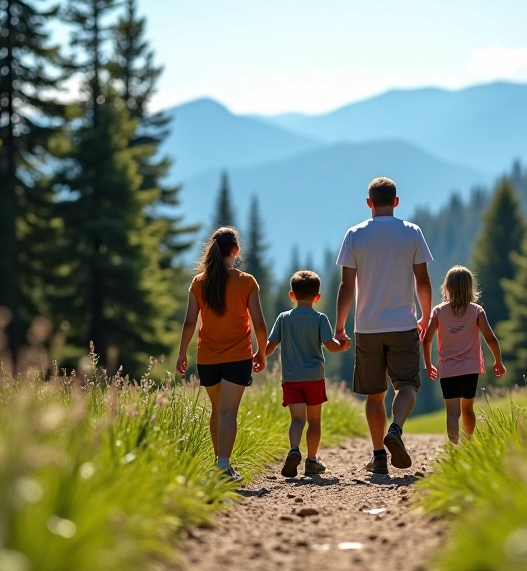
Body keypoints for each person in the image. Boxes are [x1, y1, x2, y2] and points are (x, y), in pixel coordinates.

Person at [335, 176, 434, 475]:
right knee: (407, 385)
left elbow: (346, 287)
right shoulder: (412, 233)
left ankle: (378, 456)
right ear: (396, 202)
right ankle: (396, 429)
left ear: (369, 204)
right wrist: (426, 317)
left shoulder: (354, 235)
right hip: (403, 323)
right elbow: (424, 281)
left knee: (374, 394)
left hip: (367, 327)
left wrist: (340, 327)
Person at [176, 227, 268, 482]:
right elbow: (259, 323)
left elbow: (189, 322)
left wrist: (182, 353)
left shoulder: (199, 282)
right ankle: (223, 467)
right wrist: (261, 352)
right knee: (228, 412)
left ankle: (220, 465)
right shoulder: (246, 282)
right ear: (235, 251)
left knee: (217, 409)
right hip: (238, 356)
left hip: (207, 358)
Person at [265, 270, 350, 477]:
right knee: (314, 421)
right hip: (313, 377)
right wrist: (343, 346)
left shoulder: (283, 318)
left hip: (291, 379)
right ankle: (311, 460)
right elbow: (330, 346)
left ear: (291, 295)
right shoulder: (320, 318)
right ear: (317, 297)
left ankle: (294, 449)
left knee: (297, 420)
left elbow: (270, 346)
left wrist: (257, 359)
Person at [421, 266, 506, 444]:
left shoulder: (439, 312)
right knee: (468, 410)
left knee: (452, 413)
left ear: (447, 287)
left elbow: (427, 340)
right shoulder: (476, 311)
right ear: (470, 288)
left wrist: (429, 364)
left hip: (448, 370)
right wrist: (498, 361)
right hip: (470, 369)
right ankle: (468, 444)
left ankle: (454, 445)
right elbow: (490, 338)